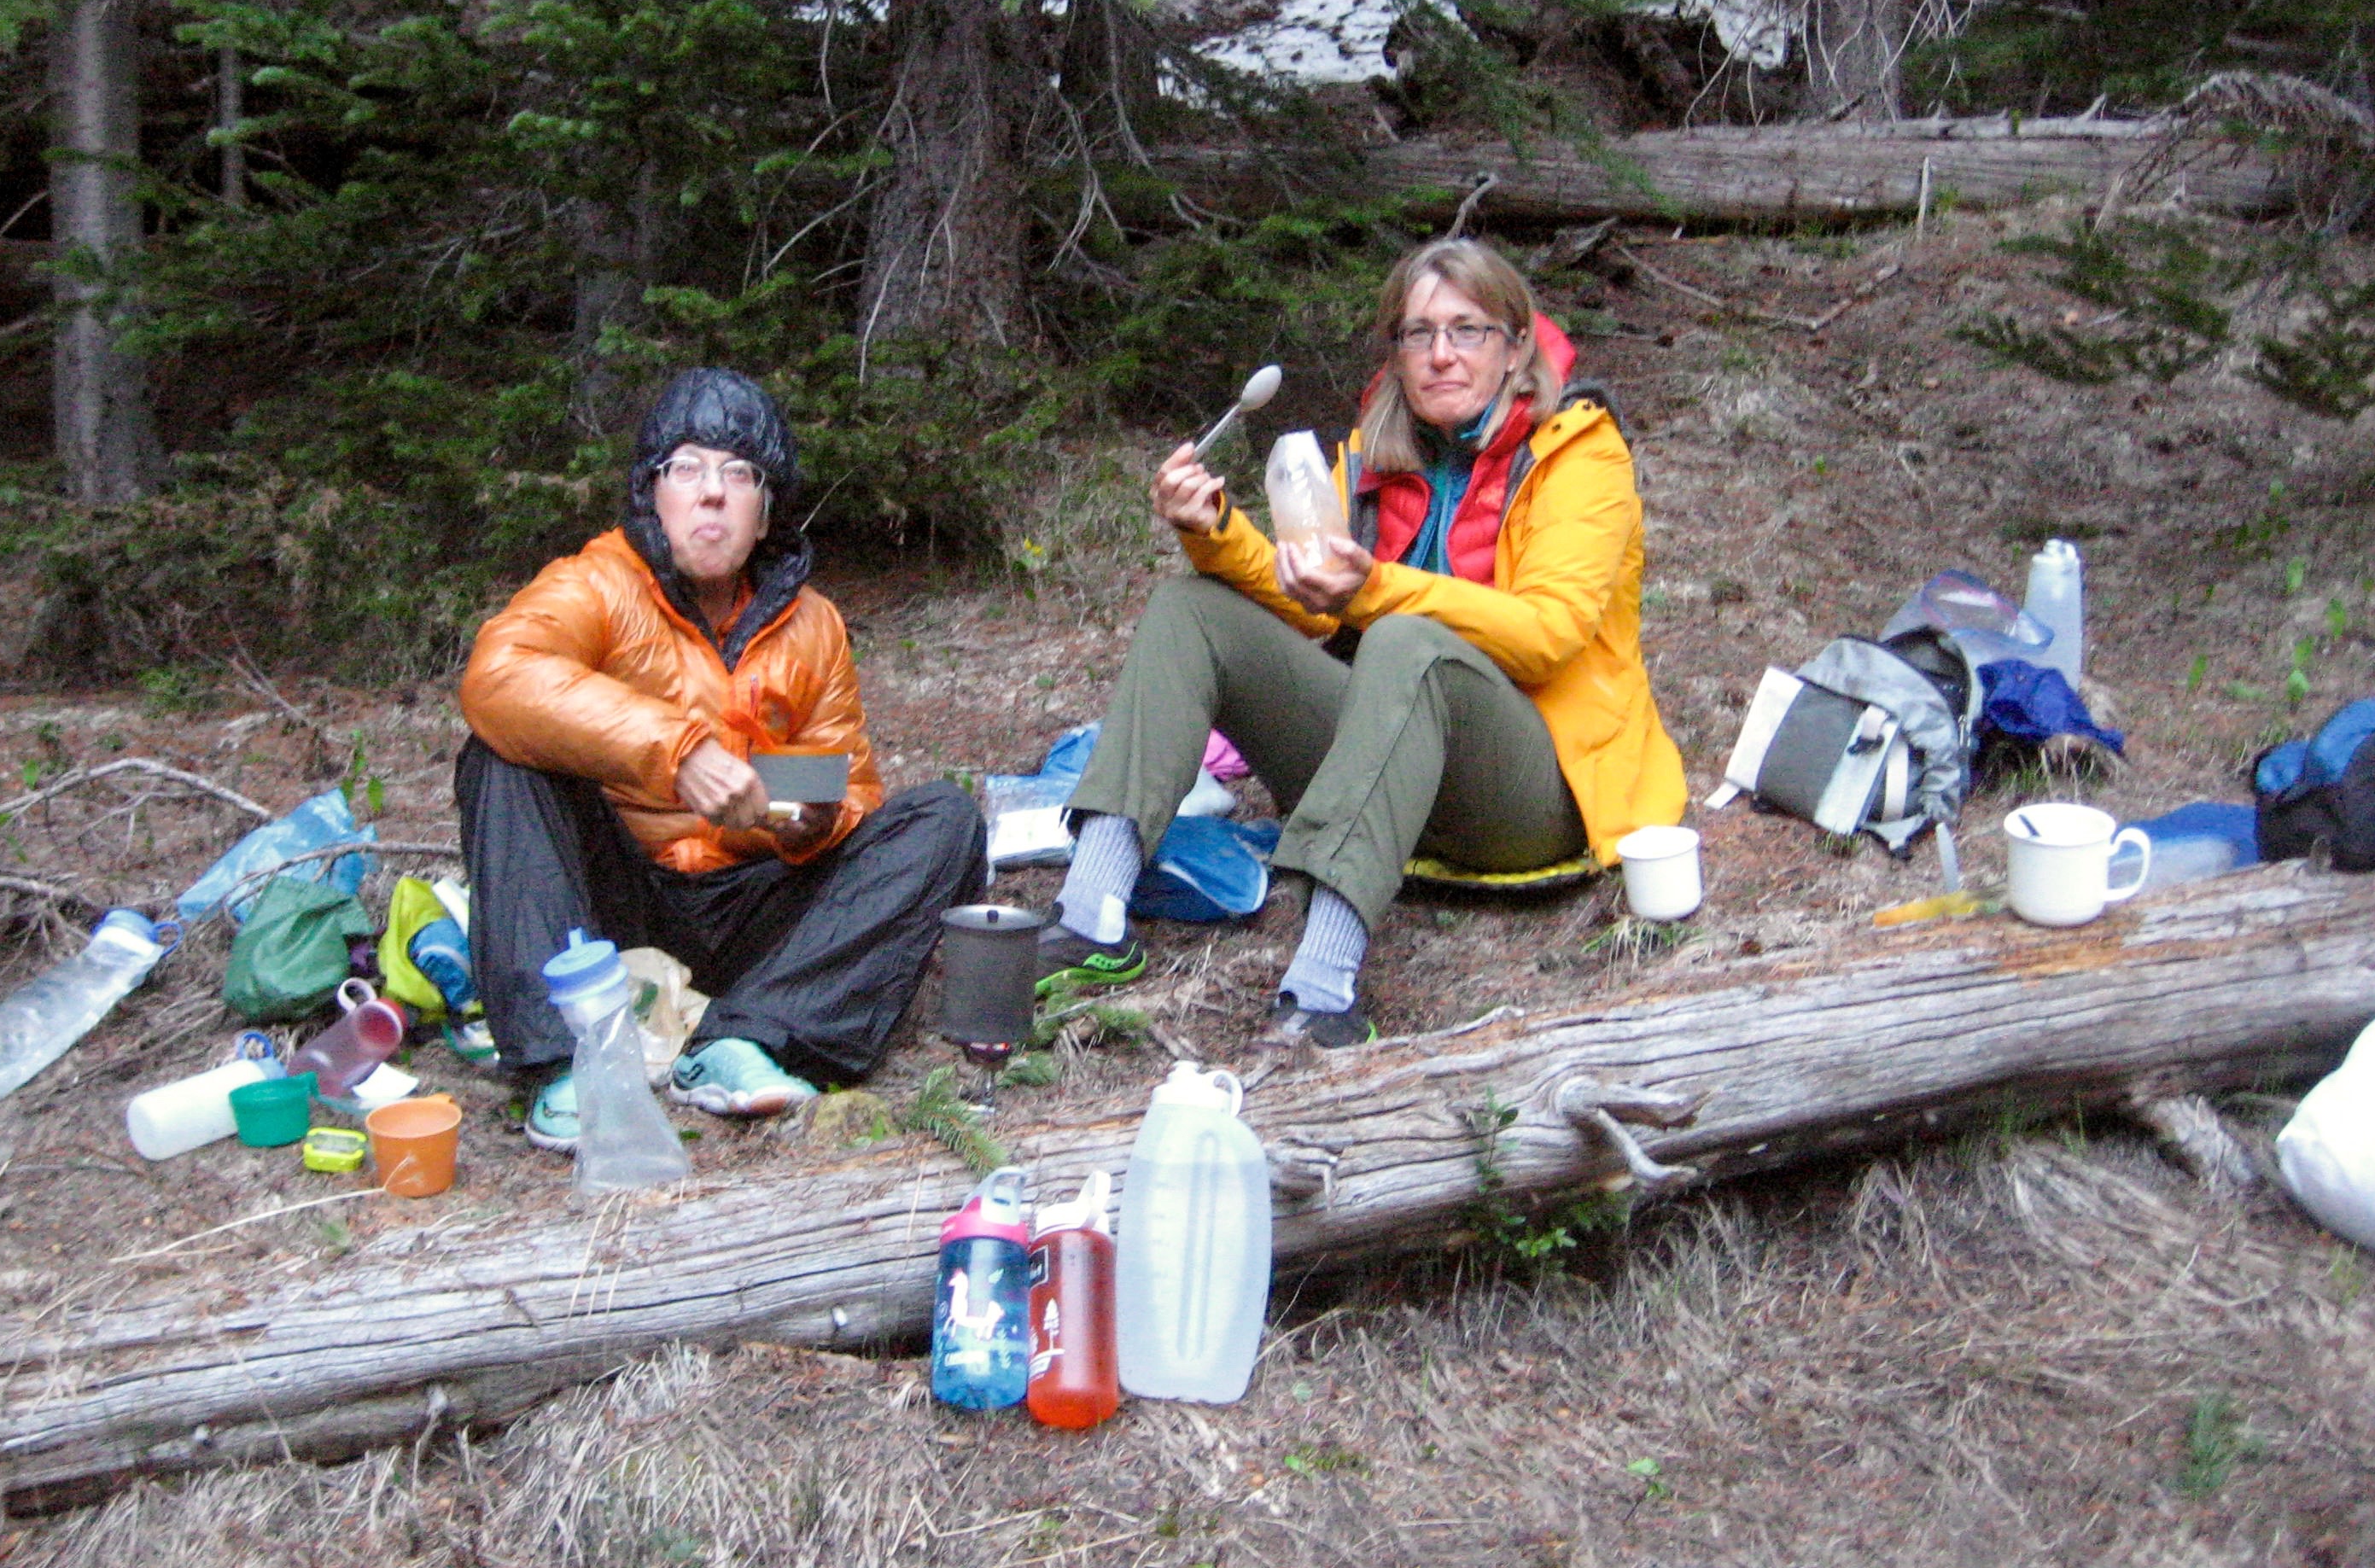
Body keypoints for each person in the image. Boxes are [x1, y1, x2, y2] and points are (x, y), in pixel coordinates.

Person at [1036, 236, 1685, 1046]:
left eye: (1468, 330)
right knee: (1188, 606)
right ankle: (1095, 913)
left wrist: (1376, 590)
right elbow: (1314, 604)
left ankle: (1324, 984)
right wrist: (1216, 532)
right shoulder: (1376, 457)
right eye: (1419, 334)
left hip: (1531, 791)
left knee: (1407, 639)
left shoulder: (1579, 455)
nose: (1441, 355)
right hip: (1388, 771)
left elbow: (1548, 637)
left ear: (1517, 347)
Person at [457, 368, 984, 1134]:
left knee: (946, 819)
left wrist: (800, 820)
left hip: (757, 909)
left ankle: (747, 1038)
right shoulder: (598, 585)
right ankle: (568, 1064)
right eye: (688, 469)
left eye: (740, 475)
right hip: (616, 900)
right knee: (499, 755)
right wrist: (679, 752)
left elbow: (849, 783)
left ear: (765, 515)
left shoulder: (814, 626)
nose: (713, 493)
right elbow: (498, 676)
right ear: (653, 495)